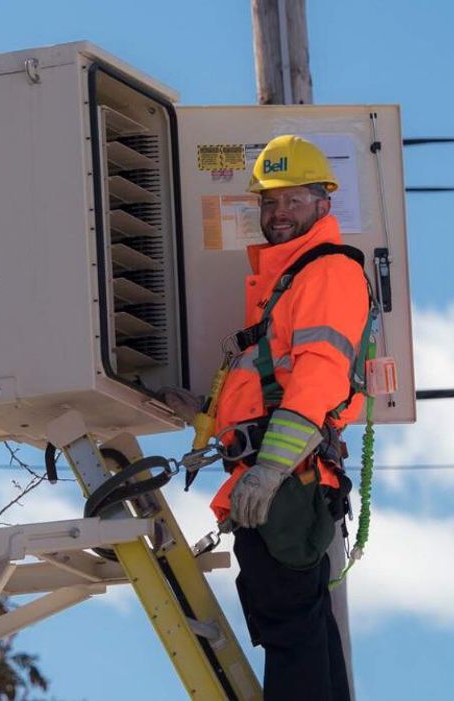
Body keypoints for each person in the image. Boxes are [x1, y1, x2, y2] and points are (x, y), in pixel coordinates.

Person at [170, 135, 367, 701]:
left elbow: (319, 378)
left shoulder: (323, 272)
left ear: (323, 205)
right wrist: (206, 413)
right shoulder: (286, 280)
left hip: (286, 481)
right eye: (270, 201)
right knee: (303, 631)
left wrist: (269, 469)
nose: (279, 213)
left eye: (294, 201)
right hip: (283, 478)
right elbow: (269, 387)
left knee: (290, 630)